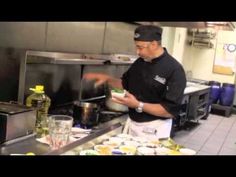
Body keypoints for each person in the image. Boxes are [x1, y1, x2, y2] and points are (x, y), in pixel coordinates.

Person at [83, 25, 186, 140]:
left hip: (155, 129)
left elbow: (169, 111)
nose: (137, 52)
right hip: (132, 125)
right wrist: (108, 79)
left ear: (154, 44)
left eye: (140, 47)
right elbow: (124, 84)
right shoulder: (140, 62)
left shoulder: (174, 69)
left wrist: (138, 105)